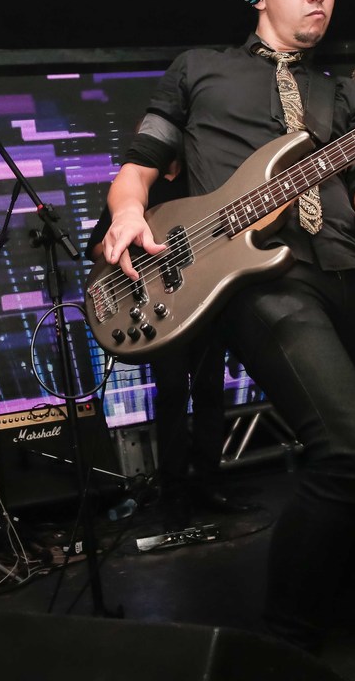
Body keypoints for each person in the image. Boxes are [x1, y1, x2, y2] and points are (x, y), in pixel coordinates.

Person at [97, 0, 355, 652]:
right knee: (349, 448)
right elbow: (139, 166)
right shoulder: (200, 70)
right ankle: (286, 637)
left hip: (344, 268)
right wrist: (128, 212)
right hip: (257, 278)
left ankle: (352, 587)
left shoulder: (346, 96)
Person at [86, 172, 255, 532]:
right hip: (160, 313)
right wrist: (138, 248)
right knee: (173, 393)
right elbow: (98, 248)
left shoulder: (199, 176)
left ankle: (209, 484)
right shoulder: (138, 188)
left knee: (210, 392)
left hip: (204, 303)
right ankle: (174, 493)